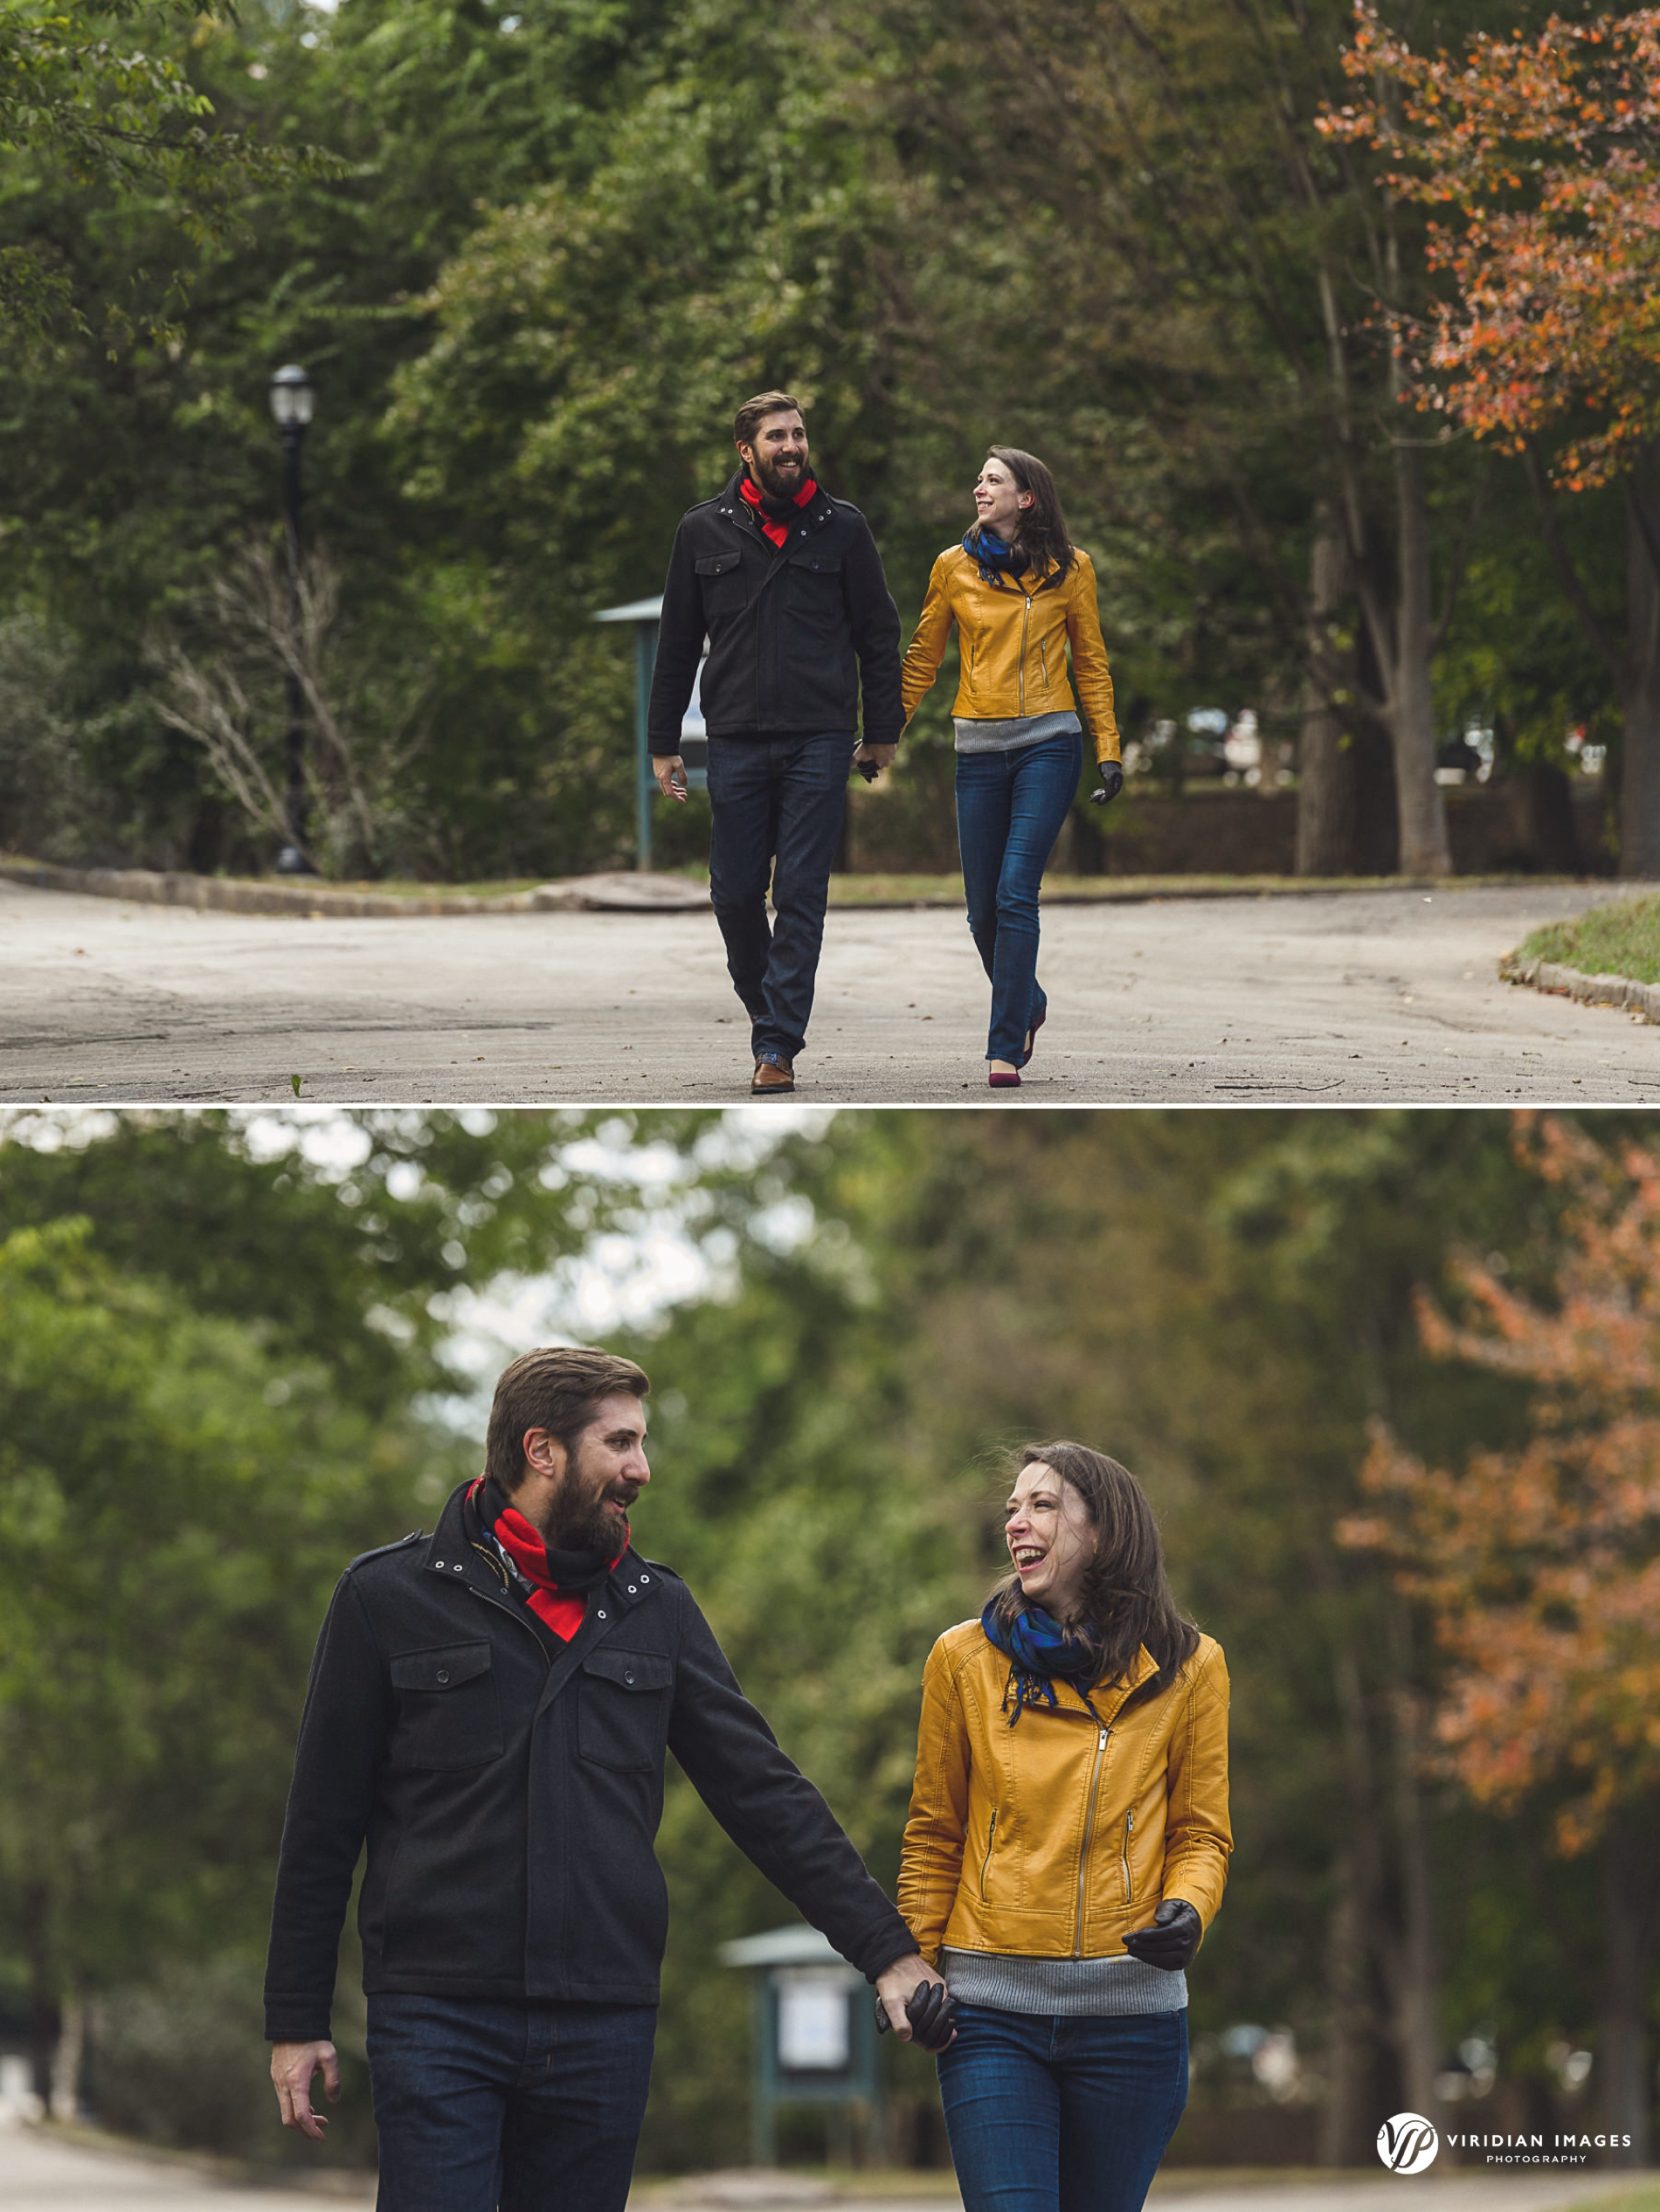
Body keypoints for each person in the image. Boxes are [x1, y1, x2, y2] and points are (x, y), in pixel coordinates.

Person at [265, 1345, 947, 2212]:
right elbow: (321, 1823)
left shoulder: (655, 1611)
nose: (642, 1469)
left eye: (641, 1443)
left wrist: (887, 1955)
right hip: (437, 2013)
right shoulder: (385, 1598)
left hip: (601, 2020)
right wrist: (295, 2018)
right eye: (620, 1444)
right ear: (542, 1450)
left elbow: (763, 1792)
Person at [898, 1441, 1232, 2212]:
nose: (1016, 1521)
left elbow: (1201, 1833)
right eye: (1012, 1507)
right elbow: (933, 1833)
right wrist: (913, 1966)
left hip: (1133, 2018)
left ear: (1106, 1532)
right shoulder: (961, 1659)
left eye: (1041, 1505)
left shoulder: (1193, 1667)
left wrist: (1190, 1908)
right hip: (991, 2012)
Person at [649, 391, 905, 1097]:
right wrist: (662, 741)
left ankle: (778, 1047)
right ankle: (771, 1012)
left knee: (799, 892)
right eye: (776, 436)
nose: (791, 446)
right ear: (746, 450)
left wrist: (882, 734)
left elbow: (878, 637)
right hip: (734, 736)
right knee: (733, 895)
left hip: (819, 740)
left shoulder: (842, 528)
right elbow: (676, 645)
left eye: (798, 434)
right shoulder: (703, 529)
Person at [900, 449, 1124, 1089]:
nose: (978, 487)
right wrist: (883, 734)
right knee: (980, 912)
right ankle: (1028, 1001)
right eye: (978, 478)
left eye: (992, 479)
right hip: (977, 750)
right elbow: (922, 656)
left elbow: (1091, 663)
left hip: (1049, 745)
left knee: (1014, 892)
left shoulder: (1072, 570)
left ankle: (1004, 1048)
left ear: (1027, 498)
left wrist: (1107, 746)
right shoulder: (952, 567)